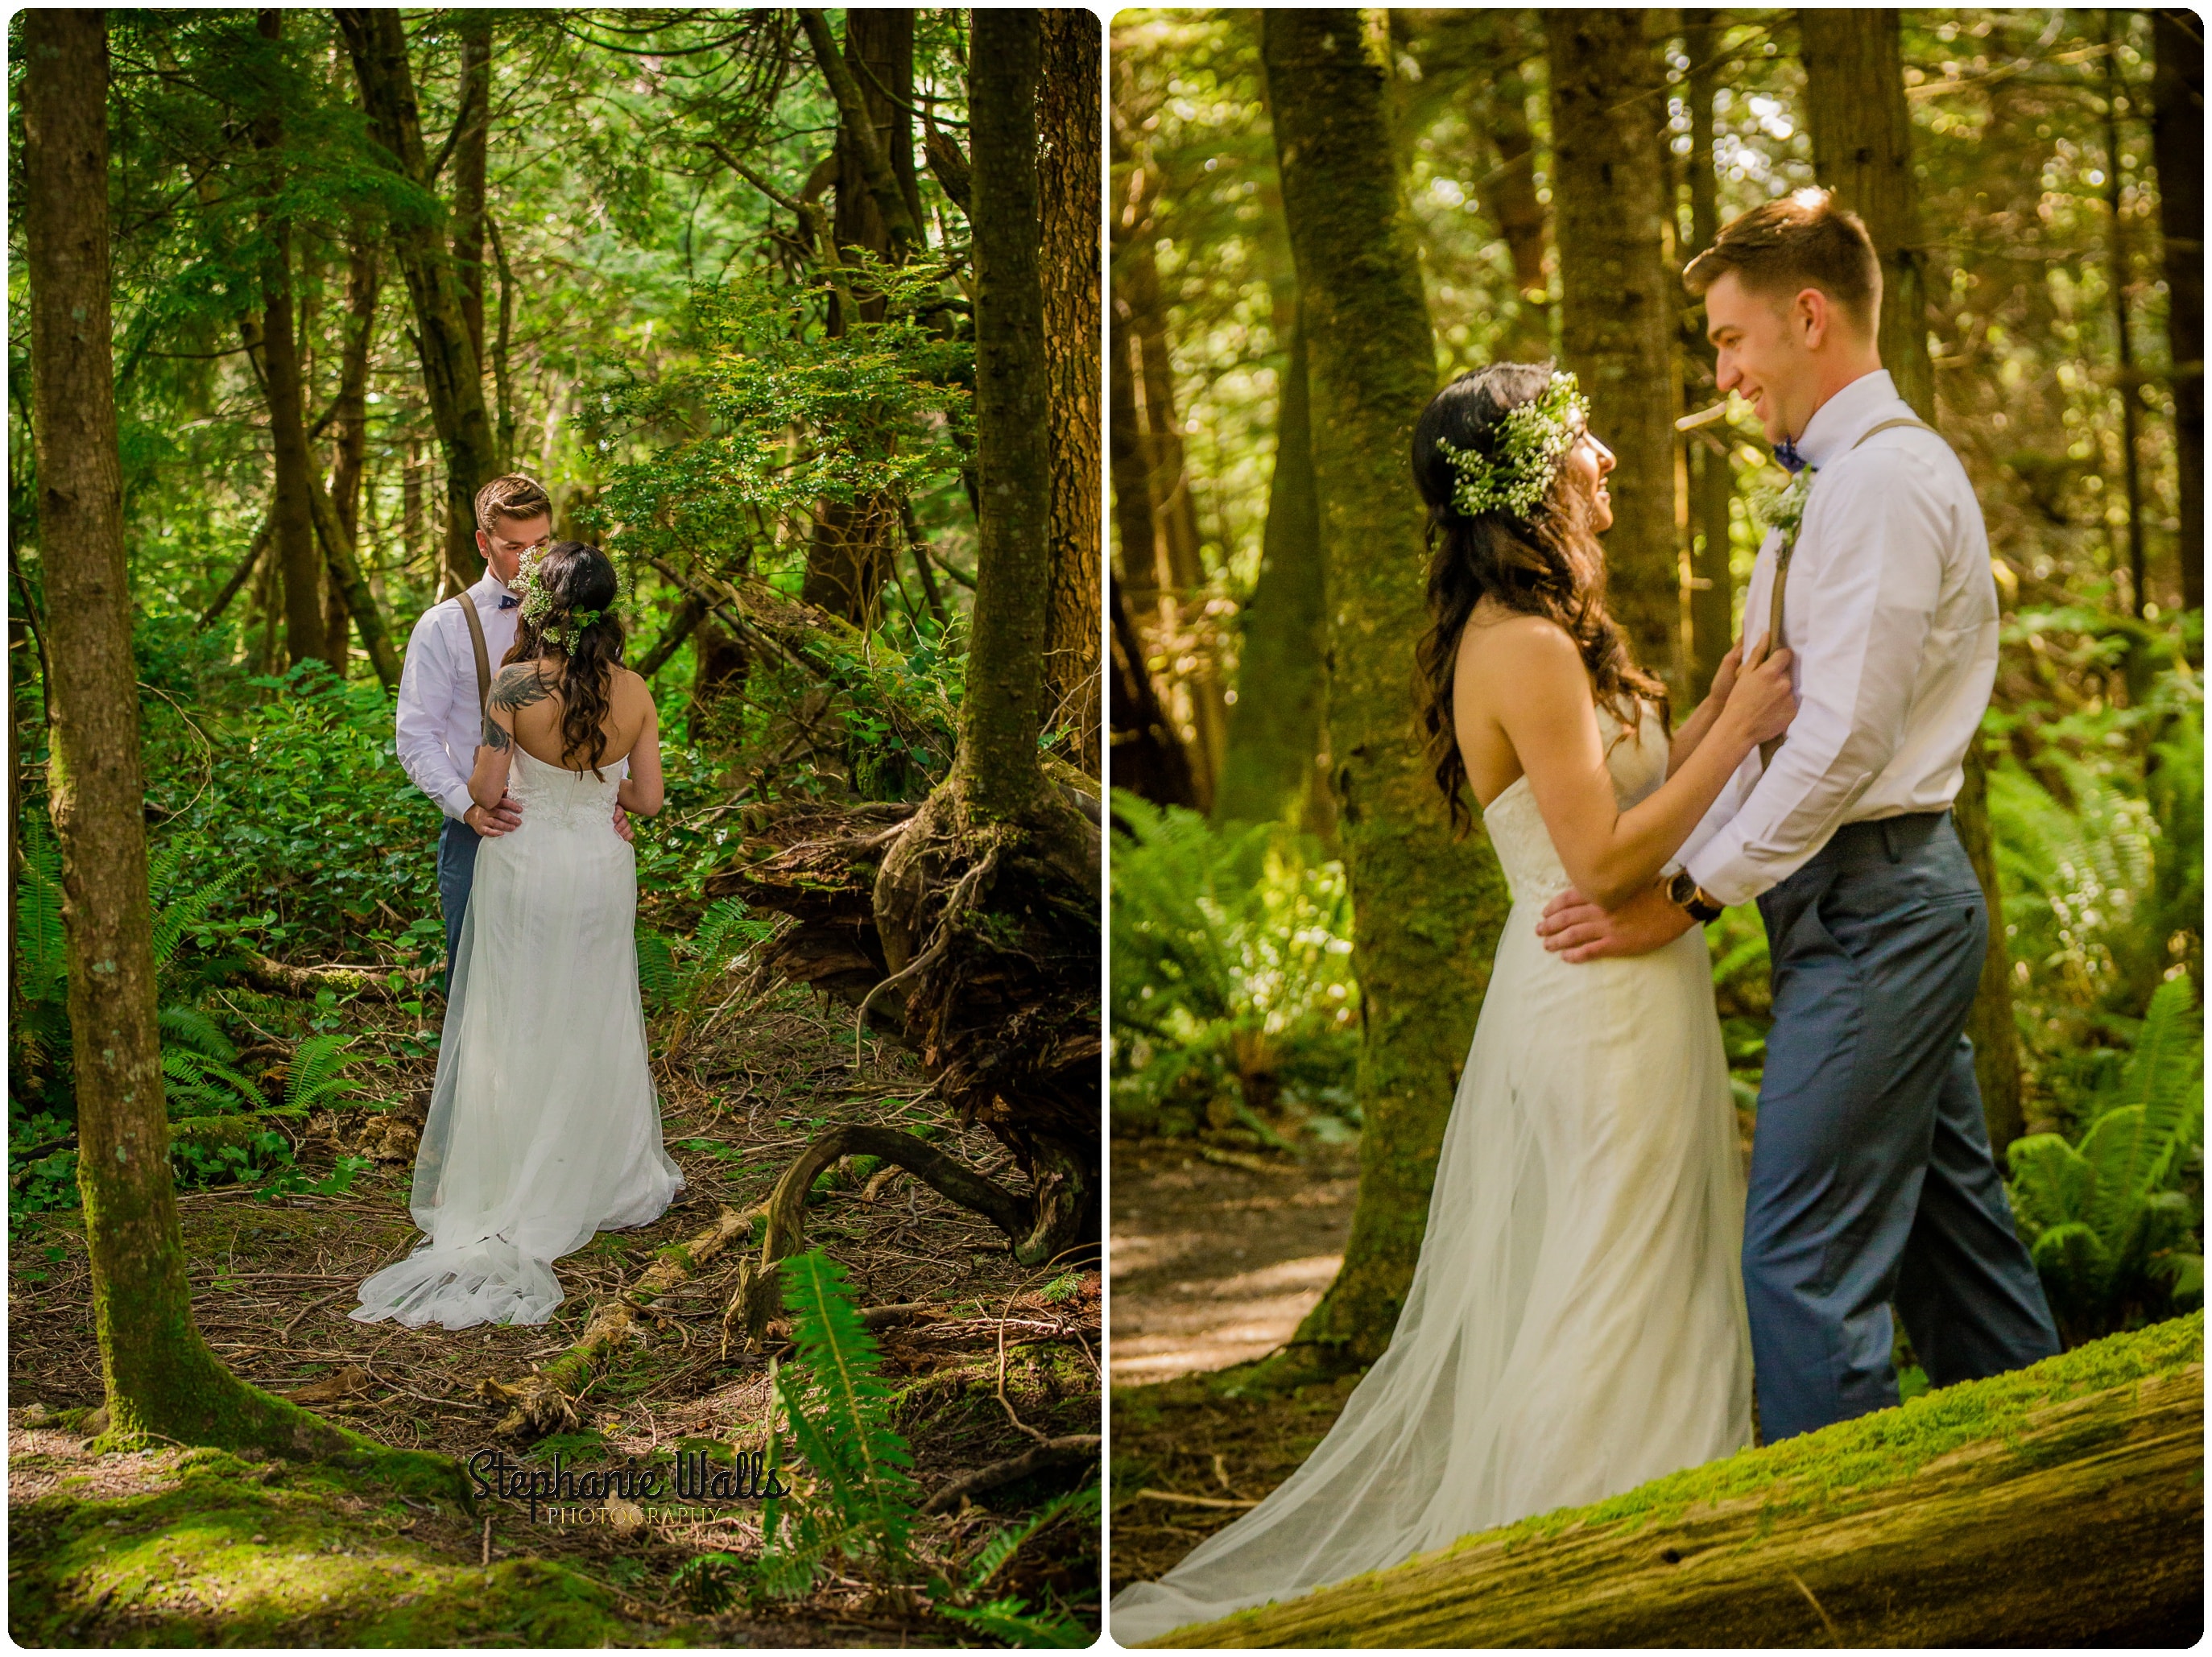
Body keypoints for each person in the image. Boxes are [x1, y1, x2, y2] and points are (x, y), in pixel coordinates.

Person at [1110, 362, 1801, 1644]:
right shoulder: (1524, 644)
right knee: (1613, 1284)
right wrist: (1732, 731)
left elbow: (1631, 788)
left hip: (1629, 991)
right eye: (1579, 438)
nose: (1602, 456)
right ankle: (1577, 1565)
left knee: (1640, 1272)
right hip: (1596, 1002)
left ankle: (1648, 1537)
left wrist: (1716, 706)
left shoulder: (1549, 628)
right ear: (1527, 479)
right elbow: (1598, 858)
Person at [1536, 190, 2061, 1439]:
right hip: (1851, 903)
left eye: (1727, 339)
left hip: (1876, 906)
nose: (1720, 372)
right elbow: (1779, 724)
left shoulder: (1878, 483)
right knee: (1957, 1258)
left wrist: (1685, 896)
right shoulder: (1823, 482)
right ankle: (2055, 1495)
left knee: (1798, 1265)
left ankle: (1835, 1602)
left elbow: (1835, 748)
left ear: (1806, 317)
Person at [356, 539, 684, 1329]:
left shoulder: (512, 685)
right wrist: (604, 801)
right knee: (592, 1013)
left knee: (518, 1016)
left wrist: (487, 781)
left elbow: (487, 790)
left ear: (545, 607)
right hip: (600, 871)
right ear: (611, 610)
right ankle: (597, 1177)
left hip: (526, 864)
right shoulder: (636, 691)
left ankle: (514, 1175)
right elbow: (648, 801)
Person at [392, 473, 631, 993]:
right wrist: (469, 808)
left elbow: (610, 712)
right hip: (479, 832)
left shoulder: (588, 622)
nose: (531, 561)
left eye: (542, 544)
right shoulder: (444, 626)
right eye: (514, 547)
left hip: (573, 833)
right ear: (483, 543)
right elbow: (416, 738)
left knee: (573, 979)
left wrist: (610, 795)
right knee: (480, 984)